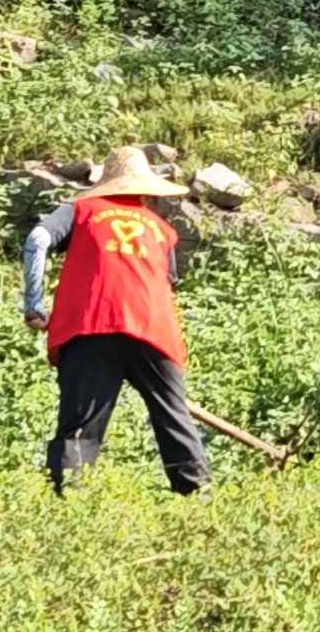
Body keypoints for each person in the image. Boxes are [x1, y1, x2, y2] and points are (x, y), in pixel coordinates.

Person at [22, 144, 214, 496]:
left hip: (91, 323)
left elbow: (37, 239)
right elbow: (165, 284)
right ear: (144, 189)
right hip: (153, 328)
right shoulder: (162, 229)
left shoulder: (81, 210)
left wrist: (33, 304)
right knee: (174, 417)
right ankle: (199, 499)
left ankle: (69, 503)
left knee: (80, 425)